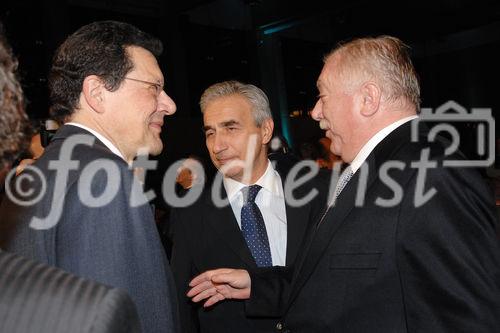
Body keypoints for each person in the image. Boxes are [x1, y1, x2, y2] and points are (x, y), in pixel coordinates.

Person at [186, 36, 500, 332]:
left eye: (323, 95)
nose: (315, 111)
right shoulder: (372, 171)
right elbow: (336, 279)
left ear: (368, 99)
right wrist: (258, 284)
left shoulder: (432, 171)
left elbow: (468, 315)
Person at [0, 21, 179, 333]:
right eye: (155, 87)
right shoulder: (104, 179)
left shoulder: (34, 177)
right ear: (97, 92)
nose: (170, 105)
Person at [170, 81, 326, 332]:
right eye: (210, 132)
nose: (217, 145)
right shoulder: (190, 212)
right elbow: (182, 307)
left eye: (230, 128)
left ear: (265, 131)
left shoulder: (319, 194)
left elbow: (335, 281)